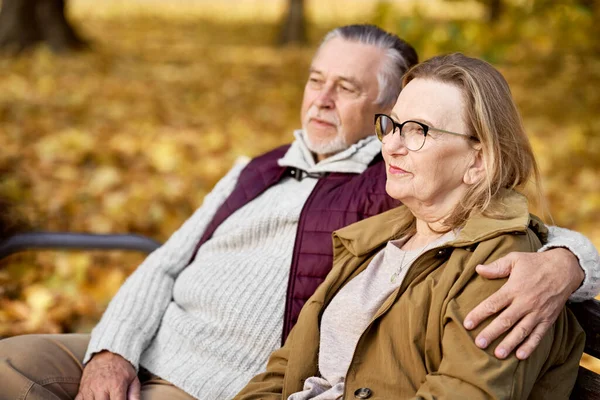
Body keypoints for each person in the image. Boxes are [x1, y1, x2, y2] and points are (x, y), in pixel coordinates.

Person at [0, 25, 597, 400]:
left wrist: (568, 261)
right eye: (315, 80)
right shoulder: (278, 177)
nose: (321, 99)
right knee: (10, 362)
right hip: (157, 346)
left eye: (348, 88)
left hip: (207, 380)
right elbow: (165, 266)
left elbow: (500, 217)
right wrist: (114, 349)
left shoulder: (385, 189)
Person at [235, 53, 586, 400]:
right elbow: (283, 370)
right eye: (392, 125)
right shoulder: (376, 238)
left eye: (418, 131)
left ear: (478, 161)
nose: (390, 146)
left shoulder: (500, 265)